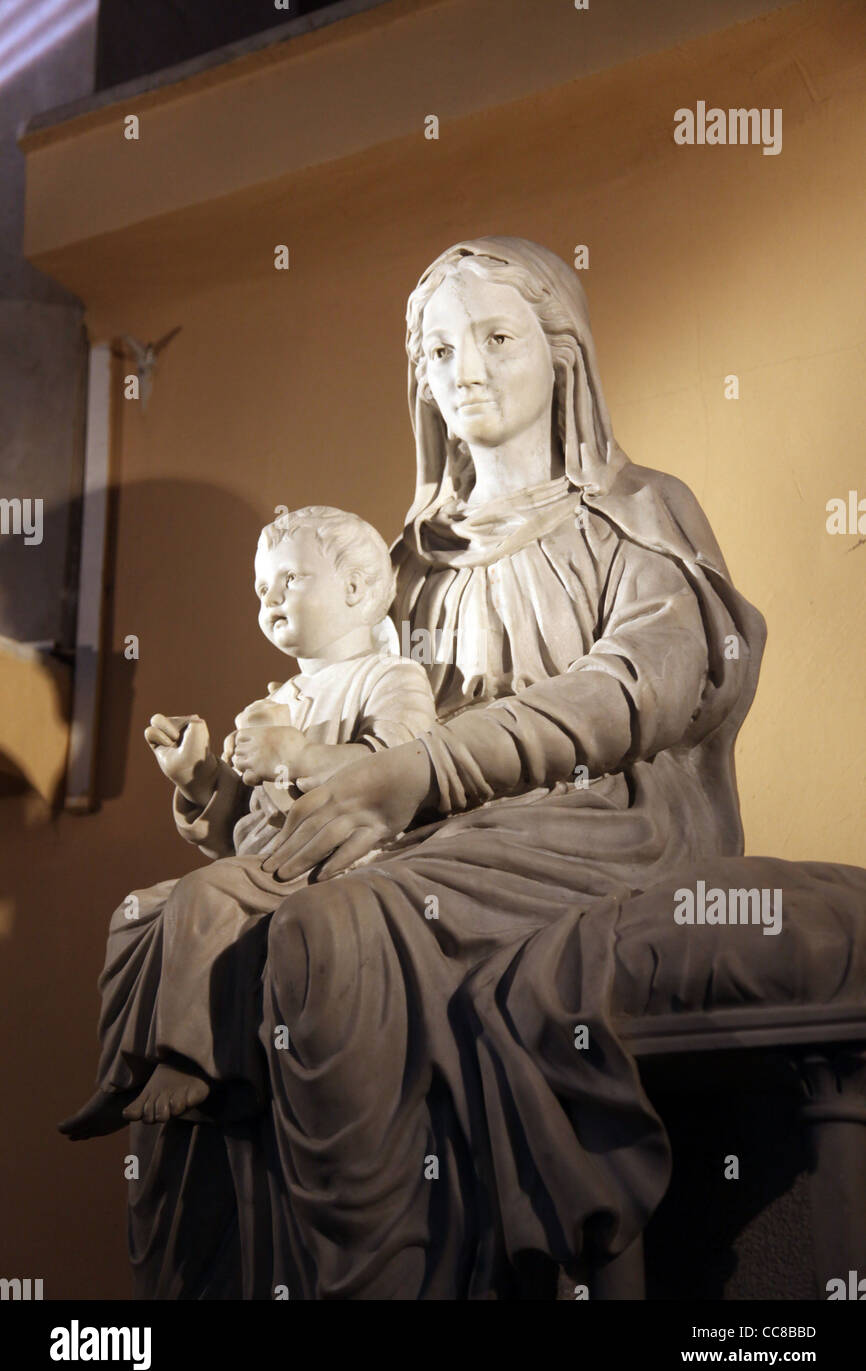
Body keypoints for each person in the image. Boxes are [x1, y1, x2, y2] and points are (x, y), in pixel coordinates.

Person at [67, 238, 865, 1301]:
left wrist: (420, 774)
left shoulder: (634, 514)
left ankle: (386, 1274)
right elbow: (351, 748)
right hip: (433, 837)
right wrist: (249, 805)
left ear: (563, 355)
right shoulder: (401, 565)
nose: (464, 370)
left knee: (330, 931)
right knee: (169, 921)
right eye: (438, 349)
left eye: (495, 337)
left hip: (599, 829)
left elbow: (644, 687)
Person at [61, 505, 437, 1134]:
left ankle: (190, 1061)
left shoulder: (391, 677)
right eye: (262, 588)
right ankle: (125, 1069)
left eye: (290, 579)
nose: (271, 598)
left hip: (339, 856)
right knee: (138, 913)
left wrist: (301, 754)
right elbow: (243, 825)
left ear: (356, 588)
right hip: (267, 864)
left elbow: (407, 770)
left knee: (204, 894)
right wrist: (200, 779)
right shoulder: (275, 701)